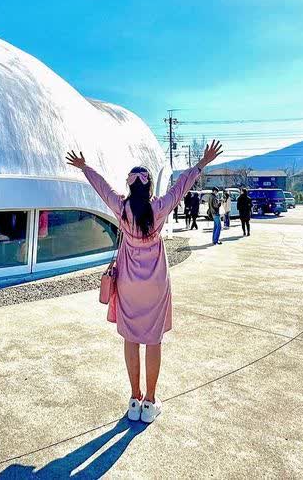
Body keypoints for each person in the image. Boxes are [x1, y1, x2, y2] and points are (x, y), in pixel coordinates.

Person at [67, 139, 223, 424]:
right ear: (149, 186)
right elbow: (181, 188)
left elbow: (101, 188)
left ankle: (134, 399)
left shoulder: (121, 208)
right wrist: (202, 163)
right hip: (155, 282)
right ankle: (150, 402)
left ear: (130, 186)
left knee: (130, 338)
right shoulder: (160, 208)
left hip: (128, 281)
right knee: (153, 340)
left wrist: (84, 167)